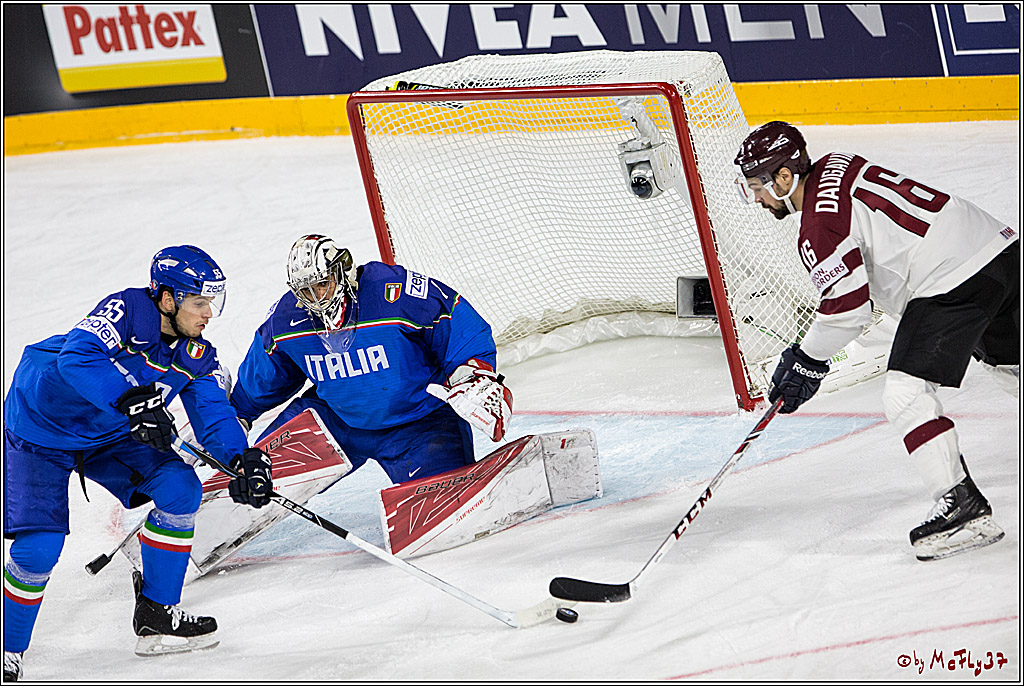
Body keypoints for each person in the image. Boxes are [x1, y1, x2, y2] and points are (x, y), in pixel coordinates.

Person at [734, 121, 1018, 562]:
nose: (755, 198)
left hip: (949, 278)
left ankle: (962, 509)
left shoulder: (817, 226)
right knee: (1012, 365)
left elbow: (849, 309)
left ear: (785, 178)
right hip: (999, 249)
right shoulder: (837, 164)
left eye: (758, 185)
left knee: (905, 393)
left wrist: (807, 360)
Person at [3, 246, 274, 679]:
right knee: (38, 551)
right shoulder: (125, 310)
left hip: (111, 432)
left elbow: (214, 417)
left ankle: (157, 614)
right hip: (40, 429)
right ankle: (6, 649)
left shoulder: (196, 354)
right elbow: (78, 357)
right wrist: (131, 400)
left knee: (181, 488)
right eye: (199, 302)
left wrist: (242, 460)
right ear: (167, 299)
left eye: (212, 303)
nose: (209, 314)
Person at [230, 234, 513, 496]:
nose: (316, 299)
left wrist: (472, 376)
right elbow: (265, 374)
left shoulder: (397, 293)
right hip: (335, 421)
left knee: (448, 499)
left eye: (321, 284)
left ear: (342, 271)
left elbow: (457, 325)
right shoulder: (286, 320)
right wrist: (234, 418)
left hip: (420, 424)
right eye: (305, 291)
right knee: (249, 477)